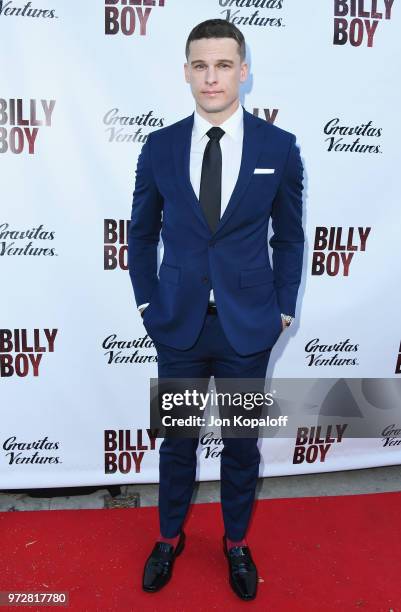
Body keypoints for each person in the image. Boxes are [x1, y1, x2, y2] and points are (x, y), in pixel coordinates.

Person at [128, 18, 304, 601]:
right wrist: (149, 300)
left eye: (224, 64)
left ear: (243, 71)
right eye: (201, 65)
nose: (212, 76)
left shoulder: (279, 148)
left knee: (240, 444)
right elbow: (142, 231)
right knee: (177, 441)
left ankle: (234, 543)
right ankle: (169, 536)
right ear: (186, 72)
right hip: (177, 325)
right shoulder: (160, 146)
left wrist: (281, 308)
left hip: (247, 330)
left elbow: (289, 237)